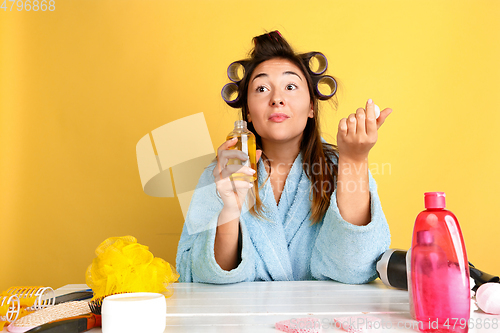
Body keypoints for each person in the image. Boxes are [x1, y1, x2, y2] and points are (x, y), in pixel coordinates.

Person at [176, 31, 392, 283]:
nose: (277, 99)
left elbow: (356, 269)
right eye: (262, 88)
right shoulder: (223, 172)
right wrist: (230, 211)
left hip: (322, 318)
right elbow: (201, 275)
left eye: (290, 87)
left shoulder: (340, 166)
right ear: (247, 111)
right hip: (246, 319)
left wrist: (354, 161)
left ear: (311, 106)